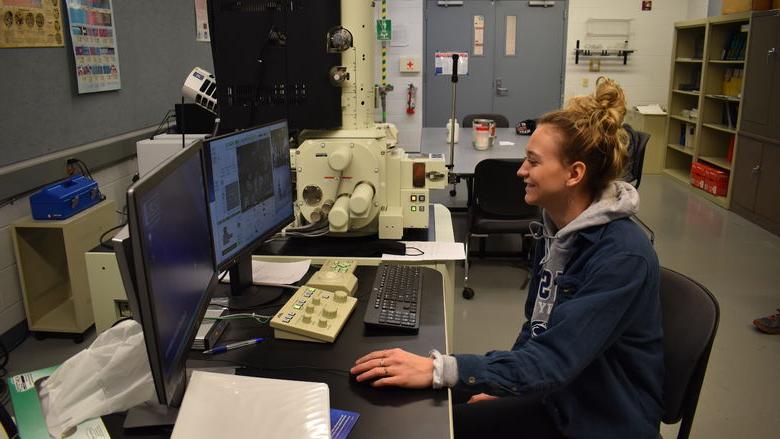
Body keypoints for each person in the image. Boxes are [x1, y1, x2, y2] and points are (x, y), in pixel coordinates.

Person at [351, 78, 664, 438]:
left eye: (532, 161)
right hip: (557, 395)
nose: (521, 171)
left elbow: (553, 360)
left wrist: (439, 370)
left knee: (434, 418)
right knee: (425, 410)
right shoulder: (556, 229)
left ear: (574, 174)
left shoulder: (622, 257)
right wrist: (503, 386)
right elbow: (537, 329)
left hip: (598, 421)